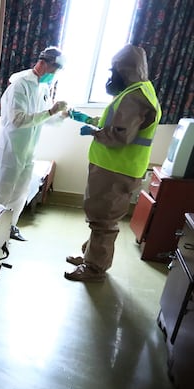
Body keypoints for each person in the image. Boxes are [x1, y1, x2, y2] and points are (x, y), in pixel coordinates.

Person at [65, 44, 161, 282]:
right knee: (100, 216)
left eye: (114, 71)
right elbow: (117, 122)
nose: (111, 76)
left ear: (125, 70)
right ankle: (91, 255)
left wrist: (94, 132)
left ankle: (94, 268)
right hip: (113, 168)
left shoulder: (135, 97)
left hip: (116, 169)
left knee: (104, 220)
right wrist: (89, 119)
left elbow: (119, 135)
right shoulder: (140, 90)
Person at [0, 46, 69, 242]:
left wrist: (60, 116)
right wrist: (50, 112)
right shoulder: (20, 85)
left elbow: (44, 119)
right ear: (43, 63)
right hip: (12, 148)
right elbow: (18, 119)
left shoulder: (43, 88)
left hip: (28, 150)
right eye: (54, 71)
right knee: (3, 192)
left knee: (21, 191)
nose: (54, 76)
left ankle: (10, 227)